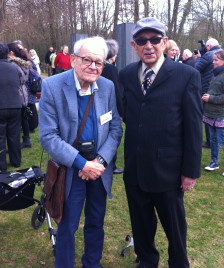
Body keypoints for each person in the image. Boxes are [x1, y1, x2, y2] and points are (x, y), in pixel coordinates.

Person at [119, 17, 202, 268]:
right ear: (134, 46)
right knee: (141, 223)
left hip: (168, 170)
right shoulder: (125, 75)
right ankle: (147, 260)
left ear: (164, 42)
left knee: (174, 226)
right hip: (134, 167)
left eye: (155, 40)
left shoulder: (186, 75)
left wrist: (190, 171)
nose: (149, 45)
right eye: (142, 41)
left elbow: (193, 127)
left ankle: (178, 262)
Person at [39, 36, 122, 268]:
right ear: (74, 60)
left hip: (99, 169)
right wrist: (81, 164)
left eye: (99, 62)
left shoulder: (107, 87)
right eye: (87, 60)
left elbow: (115, 129)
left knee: (96, 222)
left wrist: (99, 161)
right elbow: (47, 136)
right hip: (69, 169)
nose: (93, 67)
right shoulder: (53, 86)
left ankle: (92, 263)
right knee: (67, 225)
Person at [101, 39, 124, 174]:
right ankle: (111, 164)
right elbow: (117, 91)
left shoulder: (101, 67)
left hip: (100, 107)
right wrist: (121, 111)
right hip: (109, 108)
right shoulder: (110, 68)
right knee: (113, 134)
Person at [195, 38, 221, 148]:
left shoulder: (209, 55)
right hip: (218, 86)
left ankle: (209, 141)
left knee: (206, 115)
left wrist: (199, 58)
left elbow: (196, 68)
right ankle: (214, 140)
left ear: (209, 46)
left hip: (207, 87)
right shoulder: (221, 53)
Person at [0, 43, 22, 171]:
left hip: (1, 106)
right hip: (15, 105)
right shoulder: (14, 67)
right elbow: (21, 81)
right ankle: (16, 161)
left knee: (1, 136)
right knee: (14, 135)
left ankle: (1, 164)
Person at [202, 49, 224, 174]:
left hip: (221, 115)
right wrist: (207, 95)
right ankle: (214, 162)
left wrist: (211, 98)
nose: (213, 63)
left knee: (222, 141)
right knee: (214, 140)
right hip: (210, 114)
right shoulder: (215, 74)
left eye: (216, 60)